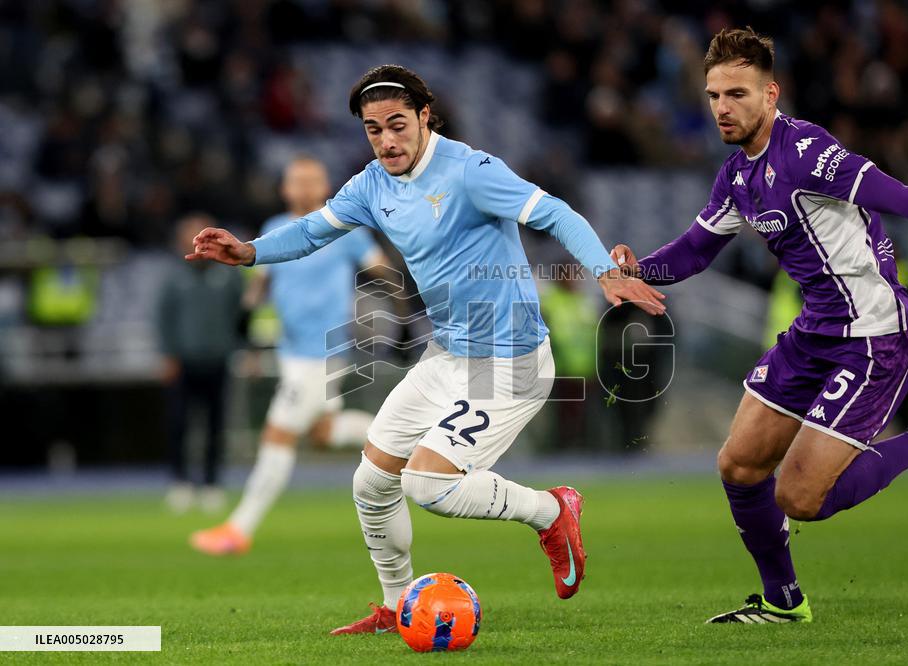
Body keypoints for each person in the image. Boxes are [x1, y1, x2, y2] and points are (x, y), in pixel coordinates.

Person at [186, 65, 665, 634]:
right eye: (373, 129)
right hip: (448, 355)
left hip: (507, 361)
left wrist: (604, 273)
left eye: (396, 125)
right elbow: (315, 230)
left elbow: (555, 212)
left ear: (423, 117)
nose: (387, 140)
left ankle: (552, 510)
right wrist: (249, 253)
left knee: (427, 484)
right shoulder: (371, 185)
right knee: (370, 483)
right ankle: (395, 607)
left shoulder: (469, 170)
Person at [612, 27, 908, 624]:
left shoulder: (808, 152)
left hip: (874, 337)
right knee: (738, 466)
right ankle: (782, 602)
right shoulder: (737, 175)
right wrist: (637, 271)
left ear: (772, 94)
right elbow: (694, 251)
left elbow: (893, 193)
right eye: (714, 95)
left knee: (800, 497)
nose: (722, 107)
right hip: (814, 333)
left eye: (736, 93)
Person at [190, 156, 388, 555]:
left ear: (325, 185)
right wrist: (245, 320)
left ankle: (238, 529)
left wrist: (409, 293)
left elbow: (379, 267)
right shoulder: (272, 228)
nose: (303, 187)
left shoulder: (343, 226)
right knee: (323, 432)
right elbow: (260, 279)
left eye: (311, 180)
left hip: (325, 350)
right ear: (285, 188)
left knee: (277, 434)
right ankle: (401, 438)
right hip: (291, 348)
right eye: (296, 180)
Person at [158, 213, 245, 513]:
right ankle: (180, 482)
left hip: (219, 359)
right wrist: (167, 354)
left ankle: (211, 484)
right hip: (183, 361)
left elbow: (241, 316)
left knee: (215, 426)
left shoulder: (229, 274)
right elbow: (163, 318)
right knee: (179, 424)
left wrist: (243, 349)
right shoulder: (174, 275)